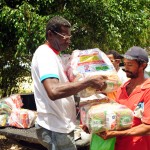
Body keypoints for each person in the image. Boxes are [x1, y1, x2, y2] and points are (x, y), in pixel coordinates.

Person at [31, 16, 107, 150]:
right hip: (56, 128)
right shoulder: (45, 55)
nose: (68, 40)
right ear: (50, 34)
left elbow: (63, 90)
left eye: (69, 36)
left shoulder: (55, 56)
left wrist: (81, 100)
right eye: (64, 36)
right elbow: (54, 91)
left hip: (60, 126)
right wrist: (87, 81)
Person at [99, 46, 150, 150]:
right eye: (125, 64)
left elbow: (147, 126)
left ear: (143, 66)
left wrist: (117, 133)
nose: (126, 68)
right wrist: (96, 125)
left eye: (130, 65)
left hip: (139, 146)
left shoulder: (148, 89)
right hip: (119, 145)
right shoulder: (123, 87)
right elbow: (115, 115)